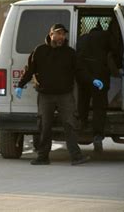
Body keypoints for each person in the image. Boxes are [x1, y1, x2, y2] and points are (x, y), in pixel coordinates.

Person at [15, 23, 90, 165]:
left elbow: (80, 71)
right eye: (58, 33)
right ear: (51, 35)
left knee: (70, 124)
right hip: (45, 95)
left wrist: (92, 80)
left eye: (63, 34)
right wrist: (20, 85)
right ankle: (43, 157)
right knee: (44, 125)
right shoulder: (40, 51)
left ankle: (76, 157)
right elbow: (30, 70)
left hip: (65, 95)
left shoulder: (70, 53)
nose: (61, 37)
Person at [76, 19, 122, 152]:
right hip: (100, 76)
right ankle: (97, 135)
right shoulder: (106, 36)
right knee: (99, 106)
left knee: (83, 101)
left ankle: (82, 124)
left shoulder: (82, 38)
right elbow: (115, 51)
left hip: (83, 75)